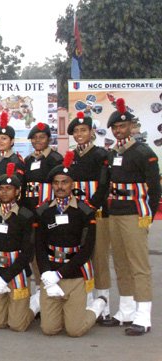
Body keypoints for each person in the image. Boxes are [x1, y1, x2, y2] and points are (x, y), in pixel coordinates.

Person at [102, 99, 159, 335]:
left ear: (131, 126)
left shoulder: (143, 153)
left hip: (135, 213)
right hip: (115, 213)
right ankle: (126, 309)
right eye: (115, 127)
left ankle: (143, 315)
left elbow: (154, 188)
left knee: (139, 265)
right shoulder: (112, 153)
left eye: (122, 126)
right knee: (121, 263)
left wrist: (148, 216)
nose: (119, 130)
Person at [35, 152, 107, 337]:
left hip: (74, 275)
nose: (60, 187)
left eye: (64, 182)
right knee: (49, 329)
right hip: (50, 273)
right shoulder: (43, 211)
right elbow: (39, 246)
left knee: (75, 330)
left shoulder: (85, 211)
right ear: (52, 185)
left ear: (72, 184)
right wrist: (47, 274)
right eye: (56, 183)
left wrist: (60, 274)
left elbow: (87, 249)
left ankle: (97, 306)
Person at [67, 111, 111, 323]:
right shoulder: (71, 156)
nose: (79, 134)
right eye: (76, 131)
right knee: (80, 256)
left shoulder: (101, 154)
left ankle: (104, 305)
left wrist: (91, 206)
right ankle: (85, 301)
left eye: (83, 130)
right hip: (77, 215)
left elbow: (104, 185)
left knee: (99, 258)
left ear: (92, 132)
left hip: (96, 212)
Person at [0, 163, 39, 332]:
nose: (4, 192)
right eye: (1, 189)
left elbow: (27, 253)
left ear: (17, 192)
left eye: (9, 188)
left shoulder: (26, 216)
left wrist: (5, 278)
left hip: (17, 272)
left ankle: (35, 304)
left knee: (17, 325)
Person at [0, 112, 26, 211]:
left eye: (4, 138)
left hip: (8, 207)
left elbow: (17, 188)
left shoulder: (16, 161)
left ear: (12, 141)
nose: (0, 141)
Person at [22, 122, 62, 210]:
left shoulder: (56, 159)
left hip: (48, 205)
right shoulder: (28, 160)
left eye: (42, 137)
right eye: (34, 137)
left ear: (49, 139)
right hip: (29, 205)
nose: (37, 140)